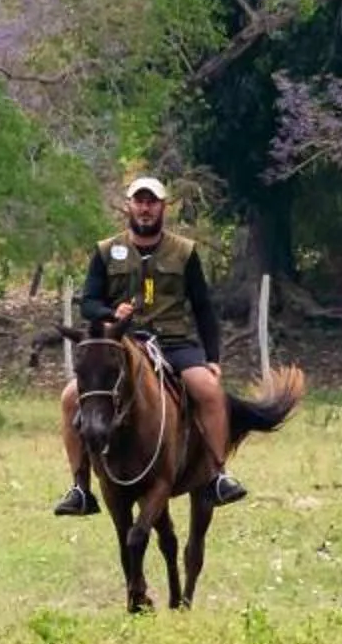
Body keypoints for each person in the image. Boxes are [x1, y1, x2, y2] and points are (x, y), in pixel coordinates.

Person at [54, 173, 246, 514]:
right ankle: (80, 488)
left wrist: (213, 357)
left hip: (173, 341)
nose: (145, 208)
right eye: (139, 201)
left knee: (209, 389)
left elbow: (203, 307)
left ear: (163, 208)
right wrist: (112, 311)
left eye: (152, 202)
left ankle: (218, 474)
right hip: (122, 342)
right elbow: (87, 302)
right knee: (71, 397)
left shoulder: (184, 252)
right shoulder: (105, 251)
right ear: (128, 206)